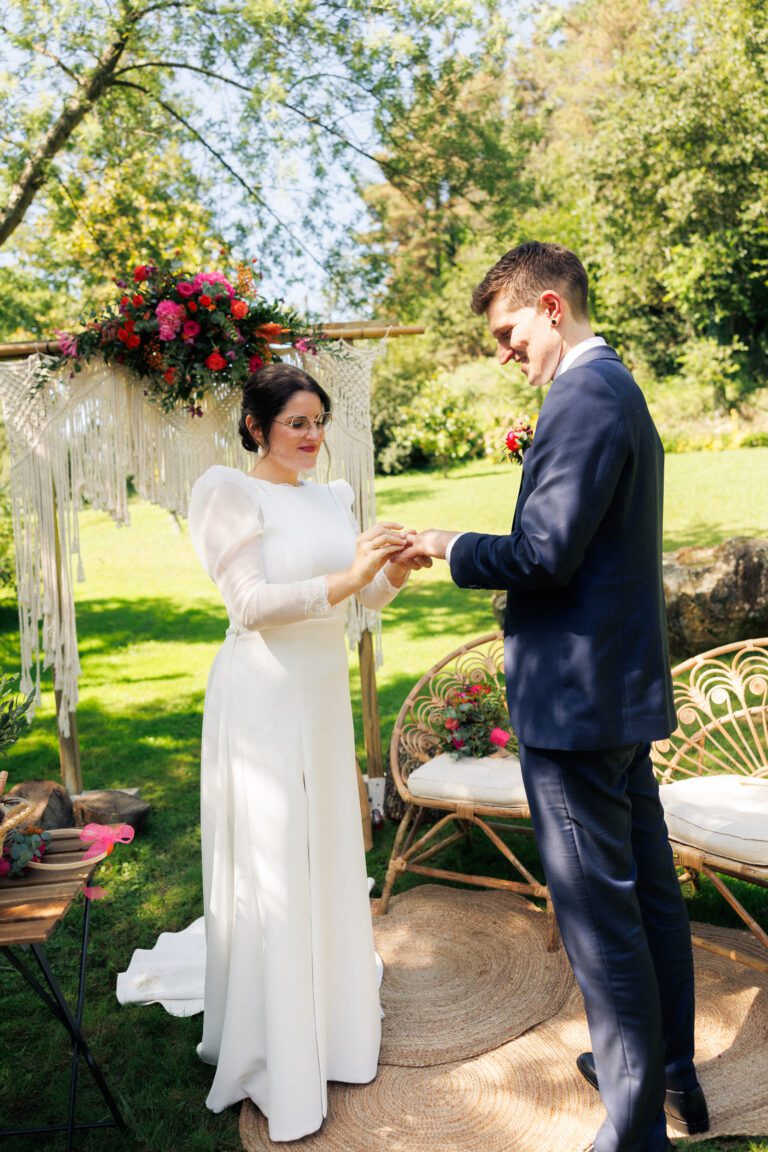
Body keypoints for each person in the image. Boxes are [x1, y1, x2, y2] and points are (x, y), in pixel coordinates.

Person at [396, 242, 709, 1152]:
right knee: (649, 897)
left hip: (575, 709)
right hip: (612, 696)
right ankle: (669, 1073)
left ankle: (634, 1127)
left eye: (507, 332)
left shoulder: (580, 396)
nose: (503, 351)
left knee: (601, 922)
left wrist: (450, 544)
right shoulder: (615, 388)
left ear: (549, 307)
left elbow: (544, 553)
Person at [118, 363, 426, 1142]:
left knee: (325, 856)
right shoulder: (228, 490)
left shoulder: (333, 496)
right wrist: (348, 573)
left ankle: (335, 1023)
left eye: (319, 421)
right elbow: (250, 605)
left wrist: (388, 575)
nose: (313, 436)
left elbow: (356, 604)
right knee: (278, 862)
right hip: (261, 699)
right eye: (297, 423)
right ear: (257, 426)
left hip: (319, 700)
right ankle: (276, 1044)